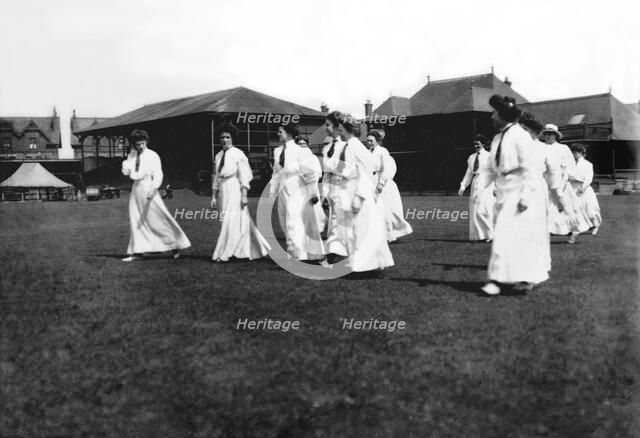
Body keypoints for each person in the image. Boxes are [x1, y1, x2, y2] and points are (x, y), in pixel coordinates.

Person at [481, 96, 549, 296]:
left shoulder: (520, 136)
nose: (492, 116)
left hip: (519, 189)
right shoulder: (497, 138)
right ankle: (507, 277)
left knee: (520, 235)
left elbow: (530, 168)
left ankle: (527, 278)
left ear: (503, 115)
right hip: (504, 189)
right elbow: (490, 167)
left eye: (495, 113)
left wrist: (525, 197)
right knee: (505, 236)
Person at [324, 112, 394, 273]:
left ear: (346, 128)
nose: (338, 130)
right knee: (356, 232)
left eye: (340, 128)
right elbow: (347, 169)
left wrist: (359, 197)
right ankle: (361, 265)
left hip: (359, 194)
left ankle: (364, 266)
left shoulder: (355, 147)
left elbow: (363, 173)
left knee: (361, 231)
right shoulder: (349, 146)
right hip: (351, 193)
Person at [121, 129, 191, 261]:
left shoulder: (153, 155)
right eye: (137, 144)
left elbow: (158, 174)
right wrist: (129, 158)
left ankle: (175, 245)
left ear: (146, 142)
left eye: (142, 143)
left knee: (157, 218)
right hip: (136, 189)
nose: (140, 146)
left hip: (149, 188)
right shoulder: (133, 155)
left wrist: (154, 188)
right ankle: (138, 252)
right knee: (136, 220)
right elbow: (126, 172)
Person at [210, 123, 271, 262]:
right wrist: (213, 196)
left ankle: (225, 253)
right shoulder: (218, 155)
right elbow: (216, 176)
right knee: (226, 220)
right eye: (222, 137)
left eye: (227, 137)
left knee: (231, 220)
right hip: (222, 190)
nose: (225, 140)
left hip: (234, 188)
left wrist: (244, 196)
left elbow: (244, 176)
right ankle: (242, 250)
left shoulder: (238, 154)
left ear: (232, 138)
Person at [269, 125, 324, 260]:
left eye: (280, 131)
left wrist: (313, 192)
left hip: (297, 188)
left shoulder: (300, 151)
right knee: (284, 221)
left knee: (293, 220)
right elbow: (276, 173)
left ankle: (296, 254)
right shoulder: (277, 151)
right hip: (283, 189)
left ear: (288, 133)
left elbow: (311, 172)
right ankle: (306, 252)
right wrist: (272, 191)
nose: (278, 134)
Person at [541, 124, 586, 243]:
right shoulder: (541, 148)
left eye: (550, 134)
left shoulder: (563, 148)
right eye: (546, 134)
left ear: (556, 136)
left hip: (561, 183)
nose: (548, 136)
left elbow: (569, 165)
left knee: (567, 208)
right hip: (546, 183)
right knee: (548, 209)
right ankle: (547, 233)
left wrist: (564, 178)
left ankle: (573, 232)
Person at [366, 129, 413, 242]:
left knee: (387, 209)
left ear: (377, 141)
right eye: (367, 141)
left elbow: (388, 167)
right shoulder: (367, 152)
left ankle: (390, 234)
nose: (369, 143)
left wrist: (381, 183)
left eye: (371, 140)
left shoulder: (383, 151)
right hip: (371, 181)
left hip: (383, 183)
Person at [457, 134, 495, 242]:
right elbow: (469, 173)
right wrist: (463, 186)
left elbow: (495, 172)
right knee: (474, 210)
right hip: (476, 182)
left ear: (483, 144)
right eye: (474, 144)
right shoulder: (471, 157)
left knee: (483, 209)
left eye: (478, 144)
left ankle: (491, 234)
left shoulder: (489, 156)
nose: (476, 146)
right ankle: (480, 236)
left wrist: (496, 186)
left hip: (487, 183)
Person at [570, 143, 602, 236]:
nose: (574, 154)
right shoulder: (570, 164)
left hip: (584, 188)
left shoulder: (588, 164)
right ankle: (576, 228)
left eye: (577, 152)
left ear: (581, 153)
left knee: (589, 209)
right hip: (572, 188)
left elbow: (588, 178)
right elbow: (567, 175)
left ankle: (595, 225)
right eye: (573, 152)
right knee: (574, 209)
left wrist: (583, 187)